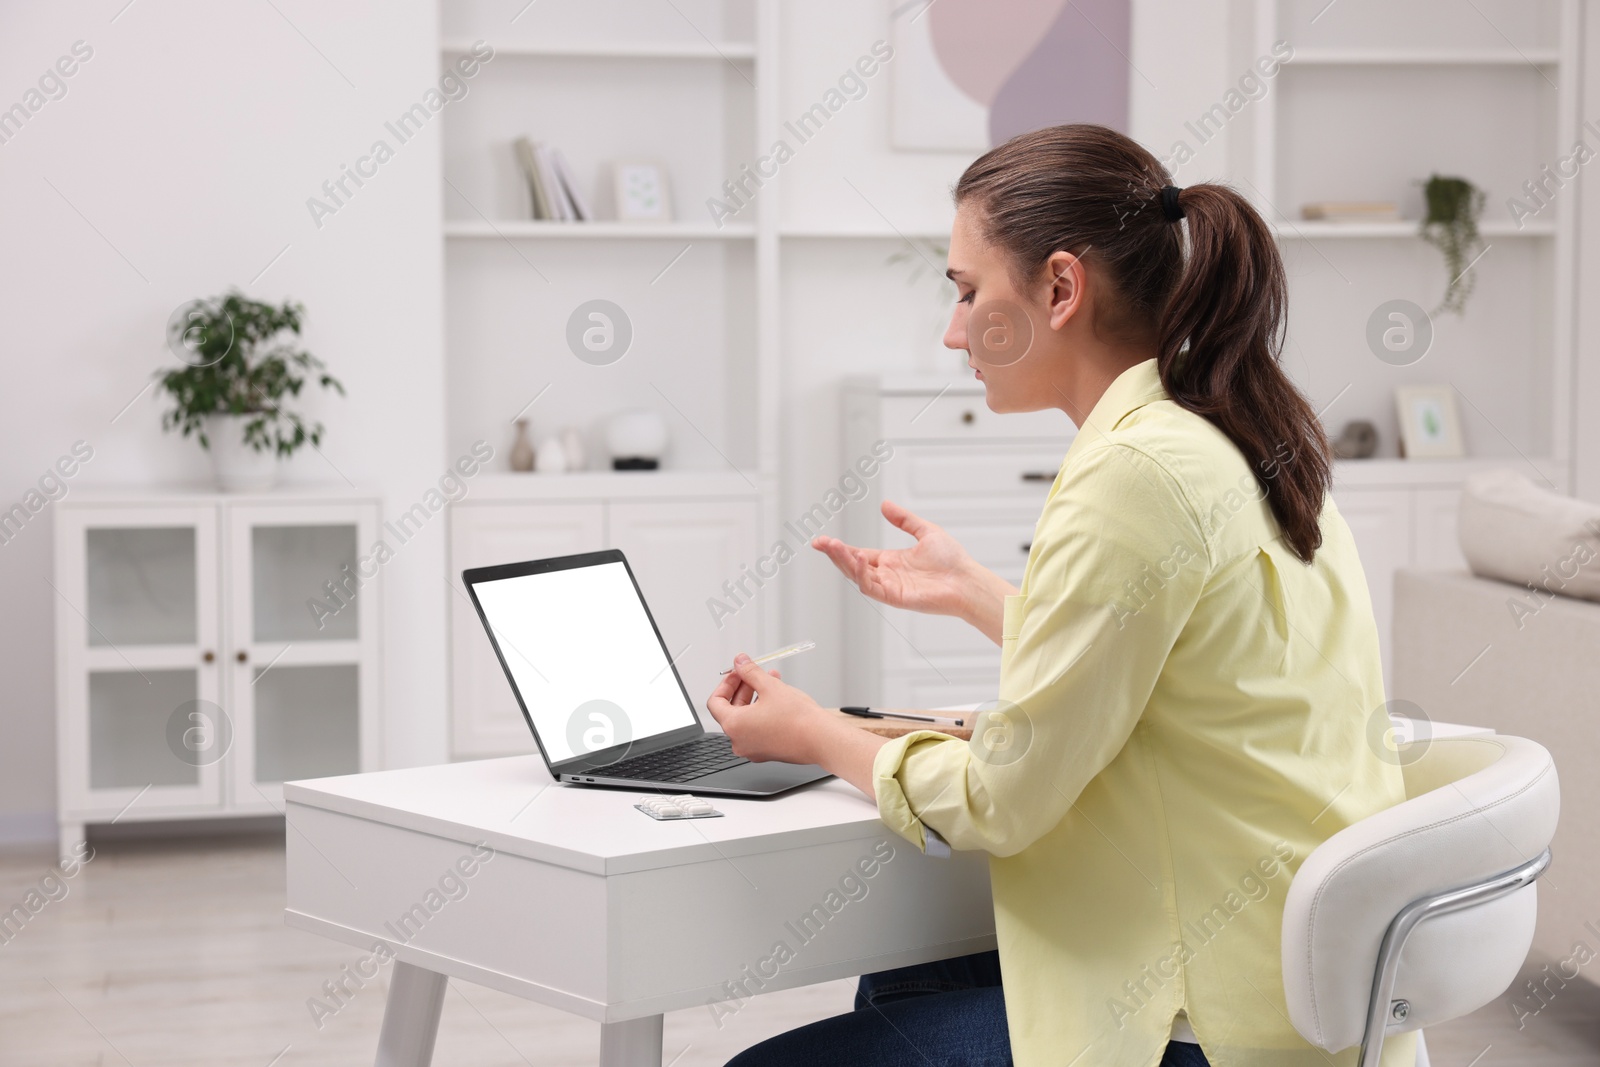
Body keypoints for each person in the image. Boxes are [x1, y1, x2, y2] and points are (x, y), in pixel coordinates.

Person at [706, 123, 1413, 1067]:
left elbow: (1004, 801)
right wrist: (975, 593)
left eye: (965, 292)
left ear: (1061, 288)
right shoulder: (1227, 426)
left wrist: (811, 732)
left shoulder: (1135, 471)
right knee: (906, 972)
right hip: (1297, 982)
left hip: (1212, 1021)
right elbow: (1173, 669)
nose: (952, 330)